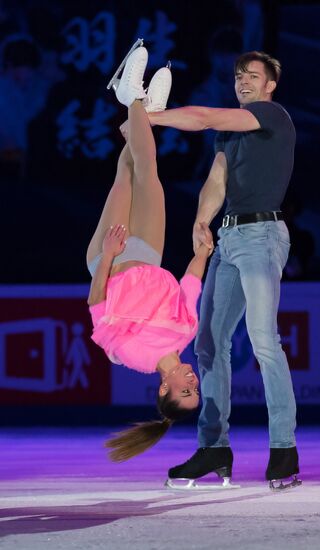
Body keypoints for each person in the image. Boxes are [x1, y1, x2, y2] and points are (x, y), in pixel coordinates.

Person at [147, 51, 301, 490]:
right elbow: (216, 181)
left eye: (253, 76)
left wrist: (151, 117)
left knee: (263, 340)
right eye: (239, 76)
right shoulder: (228, 136)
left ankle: (284, 450)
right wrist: (201, 220)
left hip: (262, 237)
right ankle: (214, 447)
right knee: (209, 344)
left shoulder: (271, 115)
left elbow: (200, 117)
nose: (244, 82)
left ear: (270, 85)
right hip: (229, 239)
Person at [87, 45, 213, 462]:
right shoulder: (187, 333)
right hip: (151, 252)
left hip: (112, 256)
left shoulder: (134, 357)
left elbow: (96, 307)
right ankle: (137, 108)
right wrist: (203, 251)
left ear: (164, 389)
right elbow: (191, 283)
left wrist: (107, 254)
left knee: (129, 171)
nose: (192, 381)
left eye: (185, 390)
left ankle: (136, 103)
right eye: (197, 389)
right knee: (147, 166)